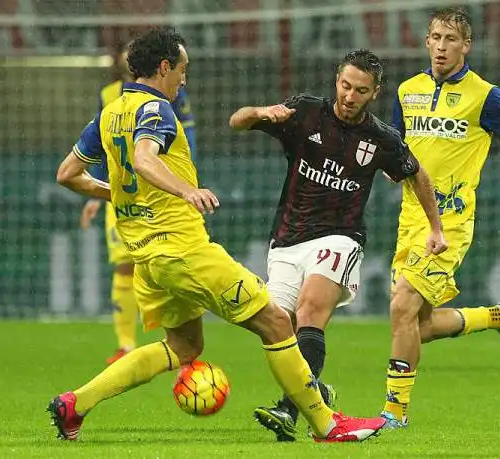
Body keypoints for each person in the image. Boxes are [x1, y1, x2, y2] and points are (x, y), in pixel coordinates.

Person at [48, 28, 386, 443]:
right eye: (182, 70)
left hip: (148, 259)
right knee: (278, 322)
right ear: (164, 67)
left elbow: (67, 174)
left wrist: (113, 192)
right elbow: (143, 157)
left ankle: (74, 405)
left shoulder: (110, 112)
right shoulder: (157, 111)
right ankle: (326, 424)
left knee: (184, 347)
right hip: (184, 250)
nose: (184, 80)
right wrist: (186, 189)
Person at [229, 49, 447, 441]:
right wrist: (264, 112)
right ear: (336, 81)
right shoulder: (306, 112)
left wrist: (436, 228)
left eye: (360, 90)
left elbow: (419, 176)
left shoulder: (381, 138)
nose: (349, 96)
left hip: (339, 237)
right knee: (278, 328)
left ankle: (289, 409)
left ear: (374, 92)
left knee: (310, 310)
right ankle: (316, 392)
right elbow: (237, 121)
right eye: (345, 86)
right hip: (286, 240)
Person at [381, 7, 500, 429]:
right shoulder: (407, 91)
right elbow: (396, 154)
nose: (441, 47)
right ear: (427, 41)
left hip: (449, 224)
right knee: (419, 325)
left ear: (466, 45)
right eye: (435, 38)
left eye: (451, 39)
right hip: (410, 221)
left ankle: (393, 414)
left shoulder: (487, 97)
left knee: (401, 307)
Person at [79, 41, 198, 365]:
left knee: (171, 264)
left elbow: (185, 141)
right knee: (124, 263)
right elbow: (104, 149)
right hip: (125, 196)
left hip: (163, 195)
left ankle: (181, 346)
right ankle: (126, 344)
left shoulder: (170, 96)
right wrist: (98, 192)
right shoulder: (109, 98)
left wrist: (187, 186)